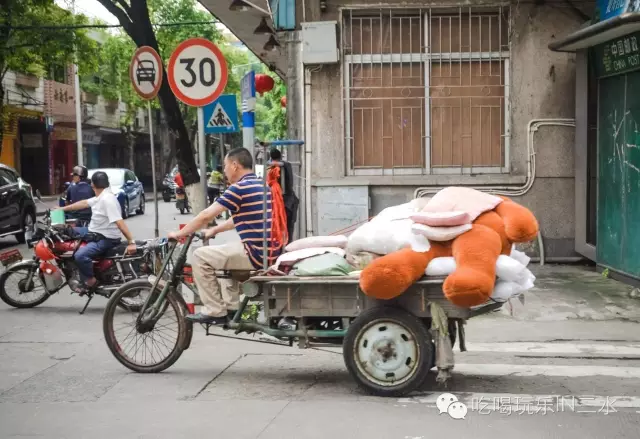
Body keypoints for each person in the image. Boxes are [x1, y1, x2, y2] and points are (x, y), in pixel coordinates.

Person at [168, 147, 284, 325]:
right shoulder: (261, 185)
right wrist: (214, 230)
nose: (224, 170)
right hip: (268, 251)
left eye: (225, 166)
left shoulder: (239, 188)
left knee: (200, 256)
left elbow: (206, 215)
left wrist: (179, 233)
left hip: (257, 254)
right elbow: (239, 217)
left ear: (235, 165)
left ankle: (215, 311)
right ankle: (232, 308)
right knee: (224, 253)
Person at [57, 171, 137, 294]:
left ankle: (90, 281)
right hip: (93, 231)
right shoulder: (101, 196)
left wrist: (131, 241)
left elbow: (120, 223)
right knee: (67, 232)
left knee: (80, 255)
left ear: (92, 184)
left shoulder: (107, 200)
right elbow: (83, 203)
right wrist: (62, 209)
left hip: (105, 239)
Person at [269, 148, 299, 242]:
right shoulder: (283, 166)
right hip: (286, 203)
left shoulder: (275, 167)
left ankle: (284, 249)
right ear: (280, 156)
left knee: (283, 229)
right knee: (287, 230)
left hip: (285, 203)